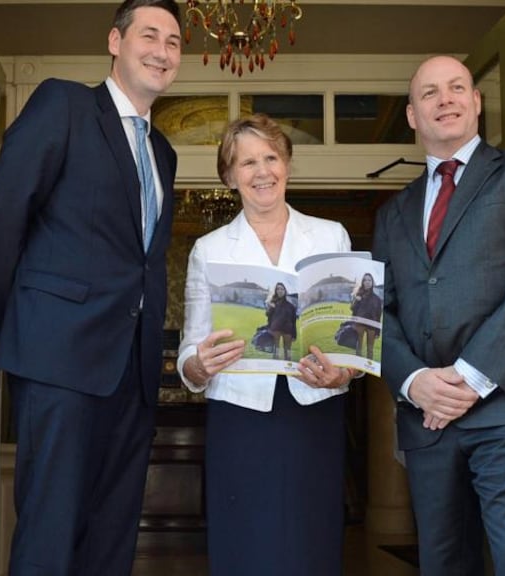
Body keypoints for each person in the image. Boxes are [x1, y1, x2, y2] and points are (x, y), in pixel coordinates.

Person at [0, 2, 182, 574]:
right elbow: (0, 223)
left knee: (111, 541)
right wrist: (20, 330)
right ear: (115, 41)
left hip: (133, 377)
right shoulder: (63, 103)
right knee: (49, 534)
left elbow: (145, 263)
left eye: (173, 41)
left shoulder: (163, 154)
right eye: (149, 35)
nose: (162, 50)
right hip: (58, 360)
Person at [373, 55, 505, 575]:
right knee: (443, 564)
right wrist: (415, 381)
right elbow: (378, 311)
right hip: (427, 421)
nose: (446, 100)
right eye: (430, 93)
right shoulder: (392, 212)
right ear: (413, 116)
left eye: (458, 88)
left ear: (477, 102)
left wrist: (464, 379)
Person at [177, 114, 357, 575]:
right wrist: (199, 365)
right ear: (229, 176)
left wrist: (345, 372)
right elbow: (190, 356)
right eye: (247, 162)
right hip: (240, 417)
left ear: (288, 166)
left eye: (271, 157)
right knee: (246, 543)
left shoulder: (331, 234)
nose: (262, 171)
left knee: (311, 541)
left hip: (314, 409)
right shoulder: (210, 248)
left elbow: (351, 339)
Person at [349, 272, 382, 360]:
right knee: (358, 347)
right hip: (359, 324)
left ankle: (369, 367)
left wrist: (378, 331)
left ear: (372, 282)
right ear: (363, 282)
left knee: (370, 349)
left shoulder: (377, 299)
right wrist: (357, 301)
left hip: (372, 326)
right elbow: (352, 309)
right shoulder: (359, 295)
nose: (367, 282)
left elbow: (379, 316)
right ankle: (358, 365)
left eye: (369, 280)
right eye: (365, 280)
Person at [265, 281, 297, 360]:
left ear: (285, 291)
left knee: (288, 351)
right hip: (276, 329)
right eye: (278, 289)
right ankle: (275, 365)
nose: (280, 290)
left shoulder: (291, 306)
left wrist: (294, 335)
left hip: (288, 331)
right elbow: (268, 316)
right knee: (276, 350)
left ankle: (288, 366)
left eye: (282, 289)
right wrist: (271, 308)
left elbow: (293, 321)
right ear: (276, 291)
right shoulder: (273, 303)